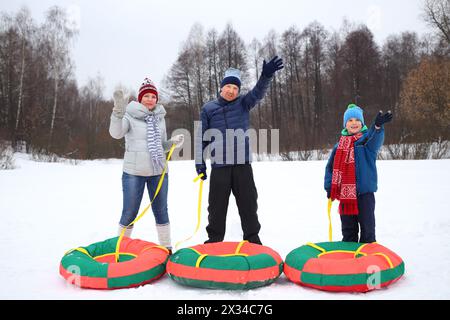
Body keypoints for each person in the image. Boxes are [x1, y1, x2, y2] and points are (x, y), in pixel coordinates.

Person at [195, 56, 284, 245]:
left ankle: (252, 238)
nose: (231, 91)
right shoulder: (208, 109)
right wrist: (199, 163)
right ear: (221, 87)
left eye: (235, 88)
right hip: (220, 166)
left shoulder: (243, 103)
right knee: (217, 207)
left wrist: (266, 76)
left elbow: (258, 93)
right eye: (228, 87)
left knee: (248, 204)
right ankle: (214, 239)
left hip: (242, 165)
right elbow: (200, 138)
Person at [109, 78, 184, 251]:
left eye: (153, 96)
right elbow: (116, 133)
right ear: (140, 98)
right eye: (146, 96)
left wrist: (171, 142)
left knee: (161, 211)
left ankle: (166, 248)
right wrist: (118, 112)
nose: (150, 99)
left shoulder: (159, 118)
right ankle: (119, 249)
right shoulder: (129, 115)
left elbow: (160, 146)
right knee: (129, 212)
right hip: (134, 173)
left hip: (159, 172)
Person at [324, 104, 393, 243]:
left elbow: (376, 141)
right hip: (346, 196)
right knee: (348, 232)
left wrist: (377, 128)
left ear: (362, 123)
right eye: (350, 120)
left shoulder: (366, 140)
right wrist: (329, 186)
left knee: (367, 231)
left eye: (357, 119)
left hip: (364, 195)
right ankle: (350, 261)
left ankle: (367, 260)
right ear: (345, 124)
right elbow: (330, 168)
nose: (354, 122)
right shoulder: (339, 146)